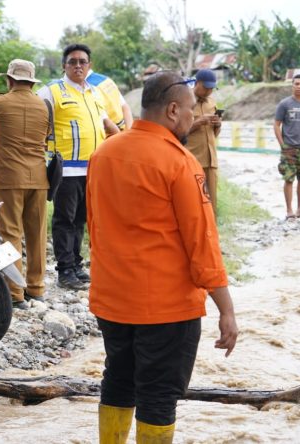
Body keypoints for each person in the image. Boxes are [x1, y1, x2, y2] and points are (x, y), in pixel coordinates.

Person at [87, 71, 238, 443]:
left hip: (113, 302)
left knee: (118, 382)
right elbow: (202, 244)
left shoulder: (103, 153)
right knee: (158, 395)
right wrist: (227, 310)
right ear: (173, 110)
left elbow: (95, 228)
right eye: (189, 111)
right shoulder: (180, 163)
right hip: (166, 309)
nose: (192, 118)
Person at [37, 43, 119, 291]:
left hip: (93, 169)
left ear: (89, 66)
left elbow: (107, 124)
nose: (78, 66)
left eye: (83, 61)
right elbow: (34, 120)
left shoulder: (94, 93)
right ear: (64, 66)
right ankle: (65, 271)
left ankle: (77, 266)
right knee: (65, 219)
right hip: (67, 169)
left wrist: (126, 143)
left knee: (82, 219)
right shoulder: (51, 91)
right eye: (72, 62)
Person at [0, 59, 49, 310]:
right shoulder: (43, 105)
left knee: (9, 235)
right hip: (39, 178)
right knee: (37, 234)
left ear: (9, 79)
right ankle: (37, 288)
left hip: (9, 179)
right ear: (31, 81)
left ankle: (13, 291)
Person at [185, 69, 221, 217]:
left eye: (211, 88)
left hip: (211, 160)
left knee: (211, 202)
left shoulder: (212, 103)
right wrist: (197, 123)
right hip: (192, 159)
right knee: (192, 201)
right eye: (206, 87)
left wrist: (217, 124)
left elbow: (215, 134)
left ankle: (211, 233)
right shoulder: (184, 101)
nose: (209, 91)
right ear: (197, 83)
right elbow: (177, 132)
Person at [274, 74, 300, 219]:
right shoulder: (285, 104)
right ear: (292, 85)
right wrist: (282, 144)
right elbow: (277, 124)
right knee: (288, 179)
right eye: (296, 84)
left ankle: (299, 210)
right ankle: (289, 210)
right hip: (289, 148)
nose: (299, 87)